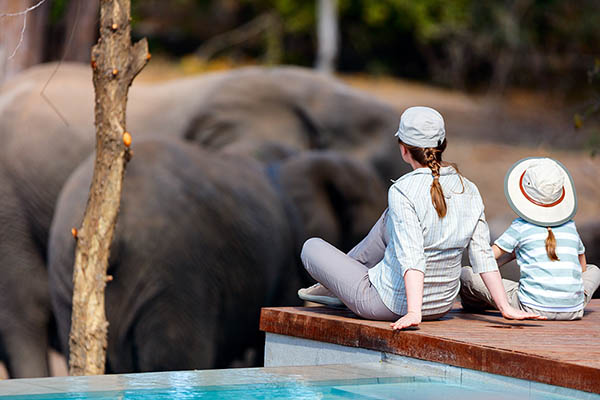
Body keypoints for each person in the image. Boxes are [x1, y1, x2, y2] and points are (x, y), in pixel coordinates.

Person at [298, 106, 544, 330]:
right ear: (442, 144)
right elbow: (483, 255)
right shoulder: (469, 188)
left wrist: (413, 311)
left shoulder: (402, 190)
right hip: (441, 305)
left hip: (388, 305)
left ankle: (334, 288)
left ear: (403, 150)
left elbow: (412, 254)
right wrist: (505, 308)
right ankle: (333, 288)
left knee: (311, 247)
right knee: (388, 219)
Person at [460, 158, 600, 320]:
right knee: (594, 270)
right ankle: (567, 300)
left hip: (530, 306)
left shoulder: (521, 227)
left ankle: (480, 304)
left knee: (467, 274)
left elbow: (484, 258)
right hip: (574, 309)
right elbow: (581, 267)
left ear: (524, 193)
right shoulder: (570, 226)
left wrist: (510, 256)